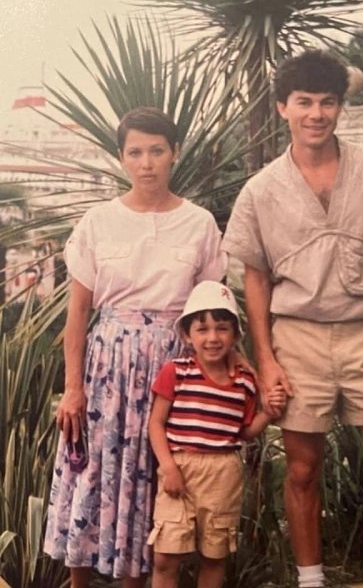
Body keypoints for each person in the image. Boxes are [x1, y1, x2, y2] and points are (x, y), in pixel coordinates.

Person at [221, 50, 363, 588]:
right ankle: (312, 580)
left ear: (341, 106)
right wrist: (266, 360)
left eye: (328, 102)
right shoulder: (260, 190)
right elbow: (256, 280)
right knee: (303, 472)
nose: (317, 114)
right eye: (304, 102)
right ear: (283, 108)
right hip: (298, 339)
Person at [44, 107, 227, 588]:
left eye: (157, 151)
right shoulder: (98, 221)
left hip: (174, 367)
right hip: (108, 367)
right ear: (122, 157)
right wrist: (73, 388)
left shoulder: (199, 223)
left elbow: (210, 309)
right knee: (94, 472)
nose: (147, 163)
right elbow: (77, 316)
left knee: (154, 476)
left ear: (175, 153)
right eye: (136, 153)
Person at [147, 280, 286, 588]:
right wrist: (169, 467)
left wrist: (268, 413)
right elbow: (155, 423)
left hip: (223, 473)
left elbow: (245, 432)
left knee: (214, 555)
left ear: (235, 335)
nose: (212, 338)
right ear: (187, 334)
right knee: (165, 555)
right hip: (179, 468)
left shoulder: (244, 382)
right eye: (202, 329)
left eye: (222, 328)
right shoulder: (176, 371)